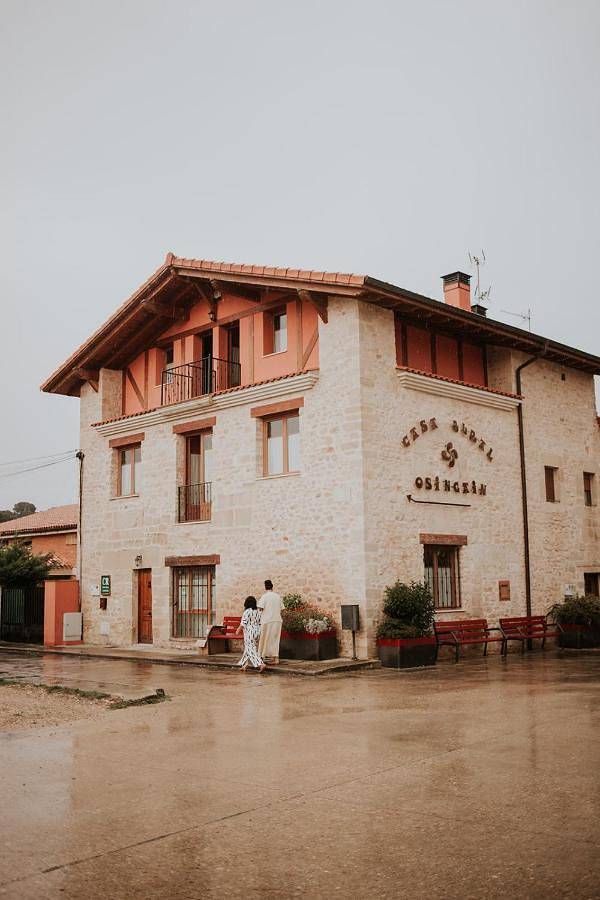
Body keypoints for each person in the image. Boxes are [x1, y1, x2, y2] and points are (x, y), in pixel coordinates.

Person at [257, 579, 284, 665]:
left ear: (265, 587)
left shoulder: (264, 596)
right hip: (277, 620)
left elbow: (260, 608)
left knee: (264, 638)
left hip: (267, 620)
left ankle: (261, 656)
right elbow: (282, 608)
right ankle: (275, 658)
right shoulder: (277, 596)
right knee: (275, 640)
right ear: (272, 587)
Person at [236, 596, 265, 672]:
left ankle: (260, 664)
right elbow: (260, 622)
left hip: (250, 633)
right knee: (249, 648)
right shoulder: (258, 611)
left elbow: (243, 623)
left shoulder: (247, 611)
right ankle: (245, 665)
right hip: (257, 632)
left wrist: (238, 630)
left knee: (251, 649)